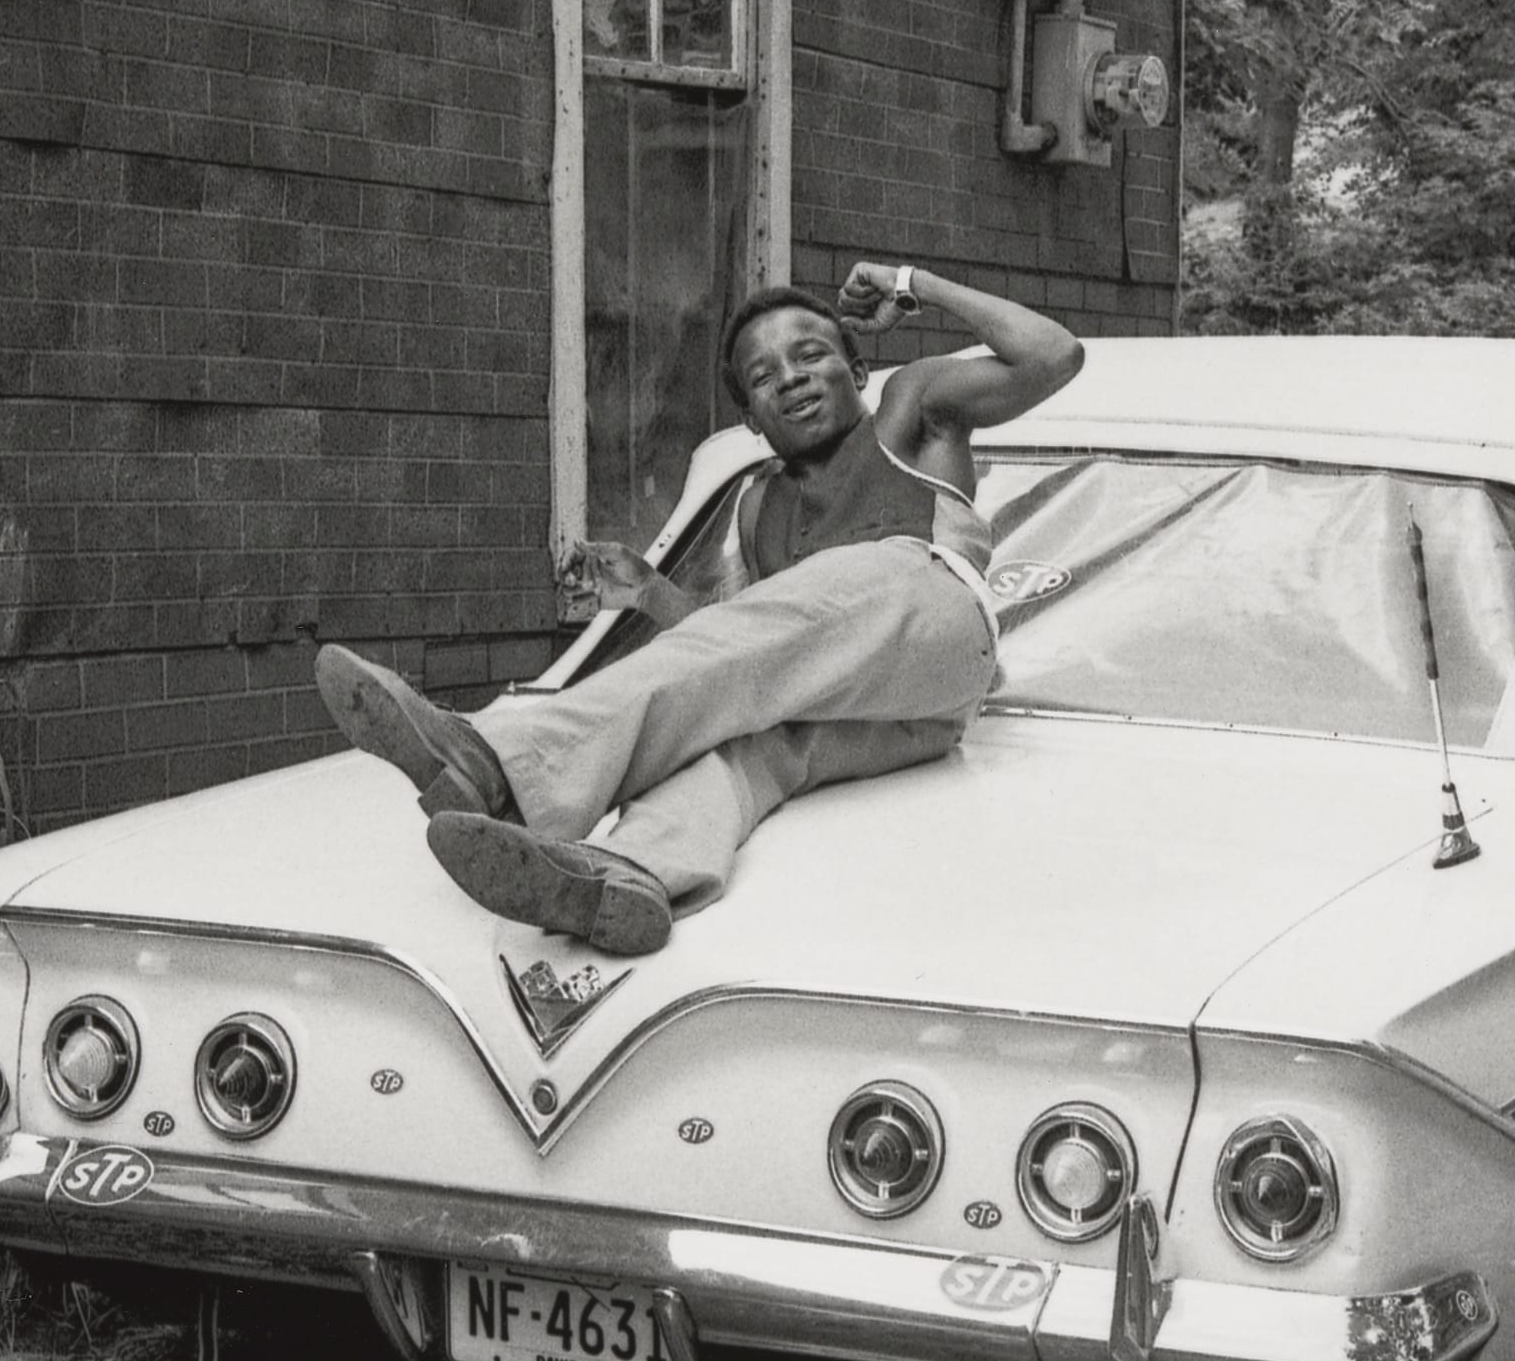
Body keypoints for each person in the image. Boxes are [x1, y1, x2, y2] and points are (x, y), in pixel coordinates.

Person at [314, 260, 1082, 953]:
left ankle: (498, 763)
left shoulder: (910, 412)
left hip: (939, 626)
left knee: (800, 622)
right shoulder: (758, 508)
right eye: (763, 375)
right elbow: (737, 658)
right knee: (739, 738)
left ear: (858, 369)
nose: (791, 378)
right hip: (902, 721)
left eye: (812, 354)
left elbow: (1053, 355)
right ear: (751, 417)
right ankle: (630, 876)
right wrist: (650, 592)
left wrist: (913, 284)